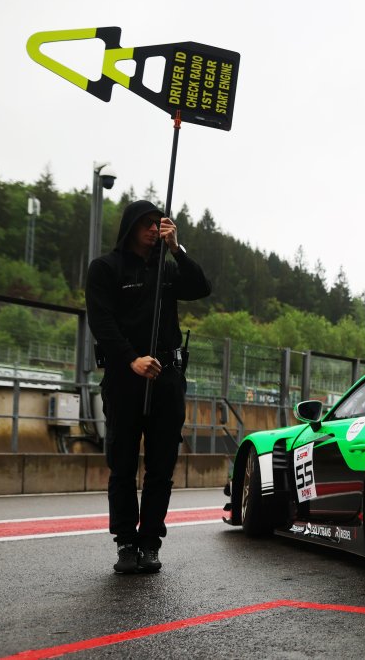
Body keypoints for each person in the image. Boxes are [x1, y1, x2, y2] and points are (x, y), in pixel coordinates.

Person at [86, 200, 211, 574]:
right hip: (125, 379)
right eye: (146, 223)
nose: (154, 229)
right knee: (122, 465)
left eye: (159, 223)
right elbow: (102, 322)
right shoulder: (105, 268)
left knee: (161, 468)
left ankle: (150, 542)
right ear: (130, 227)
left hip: (166, 380)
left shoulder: (167, 269)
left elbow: (201, 287)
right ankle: (126, 543)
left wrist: (177, 249)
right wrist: (131, 359)